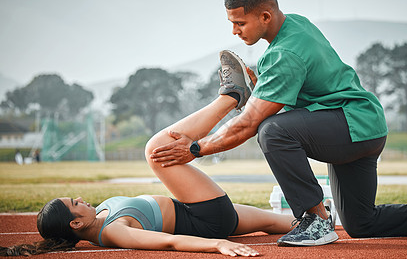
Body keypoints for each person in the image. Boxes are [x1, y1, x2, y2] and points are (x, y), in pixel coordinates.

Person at [149, 0, 407, 247]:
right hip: (362, 126)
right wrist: (263, 85)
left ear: (265, 16)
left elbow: (249, 125)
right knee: (361, 223)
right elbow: (296, 80)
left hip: (350, 125)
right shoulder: (295, 24)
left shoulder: (283, 55)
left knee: (273, 131)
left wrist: (195, 148)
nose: (234, 31)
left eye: (239, 23)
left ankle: (315, 221)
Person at [0, 88, 296, 257]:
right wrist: (217, 244)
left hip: (198, 212)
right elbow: (169, 242)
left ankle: (324, 219)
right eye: (74, 204)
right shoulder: (113, 232)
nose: (79, 198)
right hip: (204, 216)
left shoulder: (102, 213)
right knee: (156, 151)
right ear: (76, 224)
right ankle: (233, 95)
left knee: (286, 223)